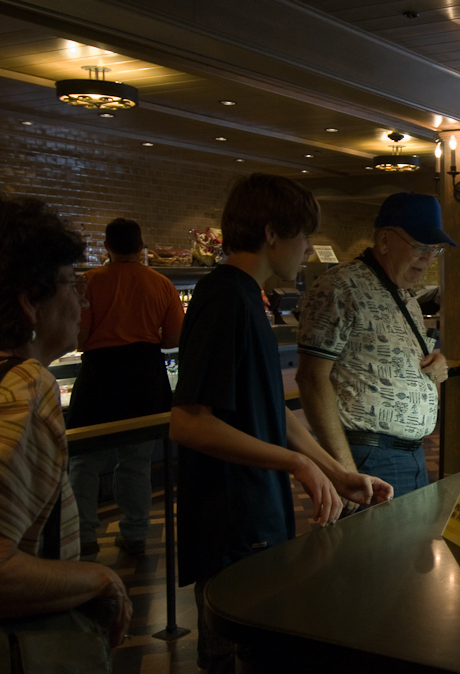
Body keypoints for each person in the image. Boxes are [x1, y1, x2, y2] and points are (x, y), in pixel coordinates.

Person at [169, 174, 393, 672]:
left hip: (255, 520)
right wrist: (295, 464)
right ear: (272, 234)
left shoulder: (250, 296)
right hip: (229, 525)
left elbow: (272, 413)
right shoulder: (223, 296)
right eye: (304, 236)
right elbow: (187, 423)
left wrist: (337, 471)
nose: (309, 248)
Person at [0, 196, 131, 651]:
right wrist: (95, 577)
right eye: (70, 284)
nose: (81, 300)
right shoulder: (26, 390)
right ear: (29, 303)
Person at [296, 192, 454, 499]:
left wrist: (436, 367)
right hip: (369, 457)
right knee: (374, 548)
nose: (428, 258)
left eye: (434, 249)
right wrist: (346, 472)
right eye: (420, 247)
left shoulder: (407, 297)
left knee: (409, 548)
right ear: (384, 241)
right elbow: (311, 378)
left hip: (412, 455)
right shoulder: (340, 286)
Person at [67, 218, 184, 559]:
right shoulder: (161, 283)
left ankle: (84, 535)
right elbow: (174, 338)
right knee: (136, 461)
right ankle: (135, 532)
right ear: (140, 246)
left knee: (84, 462)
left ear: (107, 247)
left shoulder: (89, 282)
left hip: (99, 376)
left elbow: (81, 338)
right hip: (144, 376)